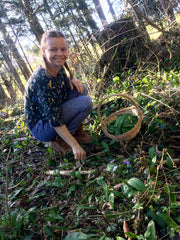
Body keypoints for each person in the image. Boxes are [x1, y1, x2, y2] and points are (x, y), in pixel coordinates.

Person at [24, 30, 93, 161]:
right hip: (42, 125)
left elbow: (61, 83)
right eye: (53, 50)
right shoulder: (41, 80)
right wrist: (74, 145)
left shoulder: (57, 66)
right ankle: (62, 140)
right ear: (44, 52)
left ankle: (76, 132)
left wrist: (72, 79)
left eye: (63, 49)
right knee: (86, 103)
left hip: (54, 110)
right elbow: (54, 119)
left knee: (80, 89)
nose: (59, 54)